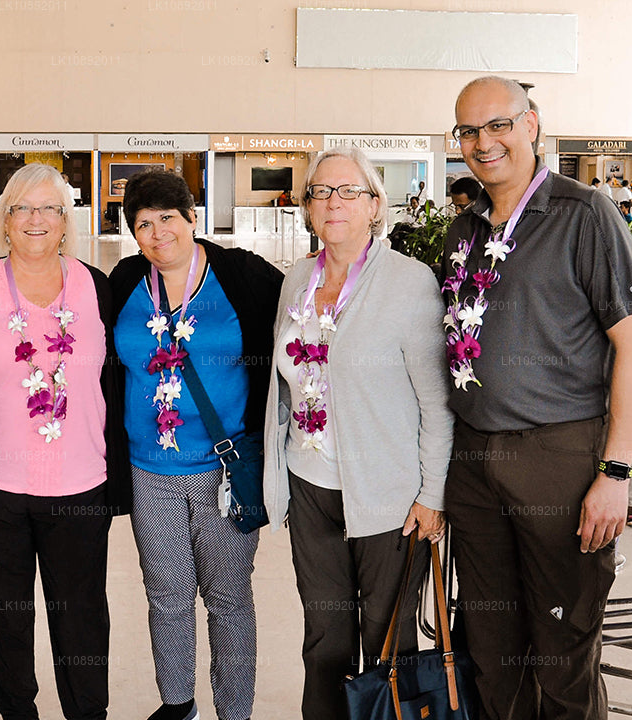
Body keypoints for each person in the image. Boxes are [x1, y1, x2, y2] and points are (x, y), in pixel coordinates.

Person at [442, 77, 632, 720]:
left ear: (531, 125)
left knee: (564, 650)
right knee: (491, 649)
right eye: (469, 131)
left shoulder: (584, 213)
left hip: (559, 459)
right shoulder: (463, 229)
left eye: (498, 125)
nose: (483, 142)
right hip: (473, 463)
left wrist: (615, 472)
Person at [263, 147, 453, 720]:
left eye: (349, 191)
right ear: (307, 208)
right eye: (321, 192)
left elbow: (436, 402)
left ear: (375, 205)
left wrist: (432, 494)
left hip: (389, 496)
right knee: (324, 636)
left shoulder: (409, 282)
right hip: (310, 485)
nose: (334, 202)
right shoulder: (297, 278)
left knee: (387, 640)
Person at [0, 163, 129, 720]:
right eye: (22, 207)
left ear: (66, 220)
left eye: (48, 208)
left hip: (82, 489)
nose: (35, 219)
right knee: (5, 622)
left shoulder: (98, 287)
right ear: (5, 220)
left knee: (81, 620)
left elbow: (122, 378)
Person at [109, 170, 283, 720]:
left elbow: (300, 321)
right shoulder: (125, 280)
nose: (158, 233)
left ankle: (235, 713)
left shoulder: (241, 274)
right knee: (166, 596)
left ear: (192, 218)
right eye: (143, 224)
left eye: (168, 218)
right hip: (149, 469)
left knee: (228, 600)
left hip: (224, 470)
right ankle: (178, 704)